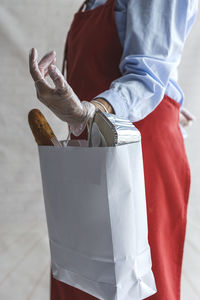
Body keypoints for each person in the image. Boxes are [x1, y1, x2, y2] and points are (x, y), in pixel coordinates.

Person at [29, 0, 198, 299]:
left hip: (139, 152)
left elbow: (149, 71)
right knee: (77, 273)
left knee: (138, 282)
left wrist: (92, 110)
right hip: (90, 145)